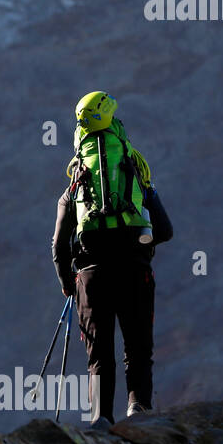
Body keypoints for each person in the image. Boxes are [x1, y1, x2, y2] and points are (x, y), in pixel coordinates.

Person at [51, 92, 173, 427]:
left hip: (91, 276)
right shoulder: (135, 168)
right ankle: (139, 411)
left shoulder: (75, 180)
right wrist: (139, 242)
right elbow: (165, 230)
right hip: (135, 269)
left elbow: (59, 244)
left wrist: (68, 284)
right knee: (137, 348)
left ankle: (101, 420)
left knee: (99, 356)